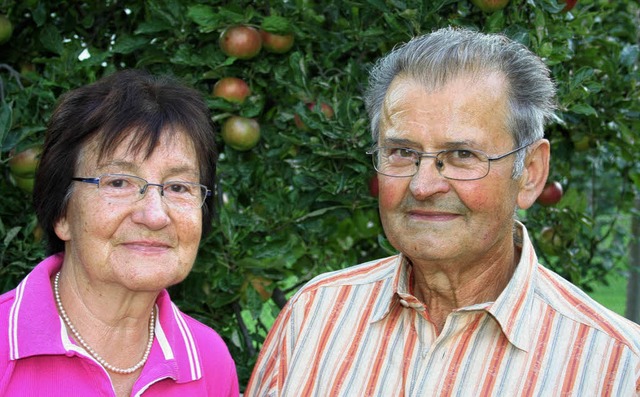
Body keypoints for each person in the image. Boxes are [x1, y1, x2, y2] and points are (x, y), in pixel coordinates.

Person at [245, 27, 640, 396]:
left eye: (462, 155)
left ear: (531, 174)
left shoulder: (617, 367)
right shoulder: (313, 317)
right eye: (402, 153)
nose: (423, 185)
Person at [0, 70, 239, 396]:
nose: (155, 215)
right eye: (118, 182)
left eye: (179, 187)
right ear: (61, 214)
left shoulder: (209, 360)